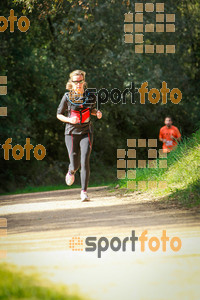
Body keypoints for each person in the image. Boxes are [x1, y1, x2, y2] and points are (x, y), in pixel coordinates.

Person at [57, 70, 102, 201]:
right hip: (71, 133)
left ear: (84, 82)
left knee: (85, 161)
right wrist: (69, 120)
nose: (78, 84)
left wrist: (96, 112)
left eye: (80, 81)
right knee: (75, 164)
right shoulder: (67, 97)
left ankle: (84, 192)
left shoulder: (90, 96)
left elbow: (91, 109)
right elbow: (59, 114)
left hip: (86, 132)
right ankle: (71, 171)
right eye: (75, 81)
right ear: (71, 82)